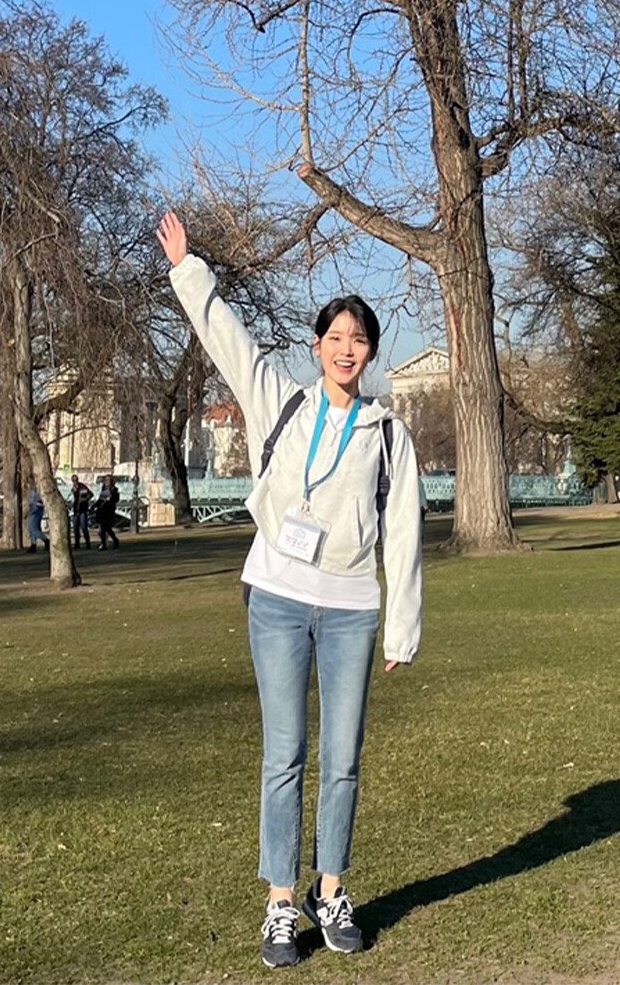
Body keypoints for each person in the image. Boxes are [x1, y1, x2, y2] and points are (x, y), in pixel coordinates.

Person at [157, 207, 423, 971]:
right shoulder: (281, 397)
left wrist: (402, 627)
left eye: (358, 338)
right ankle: (280, 901)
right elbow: (227, 336)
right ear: (318, 345)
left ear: (370, 353)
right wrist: (188, 269)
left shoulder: (389, 432)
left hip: (350, 608)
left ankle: (330, 889)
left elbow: (403, 530)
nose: (346, 349)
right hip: (275, 593)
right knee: (286, 752)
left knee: (342, 756)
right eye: (335, 336)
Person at [95, 474, 121, 549]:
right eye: (106, 480)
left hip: (109, 511)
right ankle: (104, 544)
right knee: (103, 528)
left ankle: (115, 540)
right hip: (102, 510)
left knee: (107, 527)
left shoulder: (114, 489)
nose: (107, 481)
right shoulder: (103, 489)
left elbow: (116, 499)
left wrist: (111, 497)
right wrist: (94, 505)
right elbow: (100, 499)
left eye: (108, 480)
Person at [71, 475, 92, 548]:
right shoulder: (73, 488)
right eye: (73, 480)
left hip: (82, 510)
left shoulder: (82, 487)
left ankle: (88, 543)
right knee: (75, 527)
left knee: (83, 527)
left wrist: (85, 499)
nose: (75, 482)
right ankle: (77, 544)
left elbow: (90, 494)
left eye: (75, 480)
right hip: (76, 510)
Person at [26, 484, 46, 552]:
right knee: (31, 528)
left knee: (34, 529)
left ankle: (47, 541)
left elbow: (41, 501)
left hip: (37, 510)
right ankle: (33, 544)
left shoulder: (40, 489)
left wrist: (36, 503)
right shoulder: (33, 490)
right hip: (33, 509)